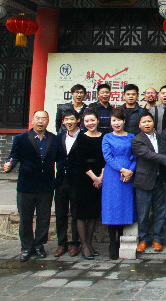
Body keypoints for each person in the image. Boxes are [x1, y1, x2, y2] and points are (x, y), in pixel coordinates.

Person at [4, 111, 59, 262]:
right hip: (26, 186)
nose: (41, 121)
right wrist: (9, 165)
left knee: (43, 218)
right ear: (32, 120)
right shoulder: (21, 138)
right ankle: (26, 247)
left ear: (48, 121)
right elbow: (13, 156)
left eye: (44, 118)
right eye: (38, 118)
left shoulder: (53, 139)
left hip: (46, 186)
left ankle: (39, 245)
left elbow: (60, 159)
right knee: (25, 219)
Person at [132, 113, 166, 253]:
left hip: (160, 180)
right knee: (143, 213)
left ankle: (157, 239)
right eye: (144, 122)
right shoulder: (136, 140)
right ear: (139, 125)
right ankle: (143, 239)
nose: (147, 124)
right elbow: (148, 155)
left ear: (153, 123)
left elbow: (164, 151)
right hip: (144, 181)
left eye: (149, 121)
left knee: (160, 211)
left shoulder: (160, 137)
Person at [101, 108, 136, 260]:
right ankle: (112, 242)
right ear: (110, 122)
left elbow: (135, 156)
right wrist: (122, 169)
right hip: (113, 175)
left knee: (124, 205)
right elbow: (107, 157)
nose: (117, 123)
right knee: (112, 206)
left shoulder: (132, 137)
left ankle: (123, 237)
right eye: (114, 120)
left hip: (129, 175)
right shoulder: (107, 138)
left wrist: (130, 171)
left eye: (119, 120)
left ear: (124, 121)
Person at [73, 109, 105, 260]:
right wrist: (94, 178)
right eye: (87, 121)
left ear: (98, 120)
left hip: (101, 175)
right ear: (83, 123)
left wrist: (101, 177)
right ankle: (84, 245)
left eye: (92, 120)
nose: (90, 123)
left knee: (93, 213)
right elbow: (80, 161)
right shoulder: (81, 137)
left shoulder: (104, 136)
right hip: (84, 178)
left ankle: (90, 243)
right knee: (81, 214)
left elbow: (106, 157)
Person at [54, 109, 81, 258]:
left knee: (76, 213)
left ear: (78, 120)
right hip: (61, 181)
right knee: (61, 213)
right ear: (63, 122)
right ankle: (61, 243)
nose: (69, 122)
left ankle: (75, 243)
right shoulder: (59, 137)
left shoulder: (83, 137)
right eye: (66, 120)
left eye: (72, 119)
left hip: (77, 181)